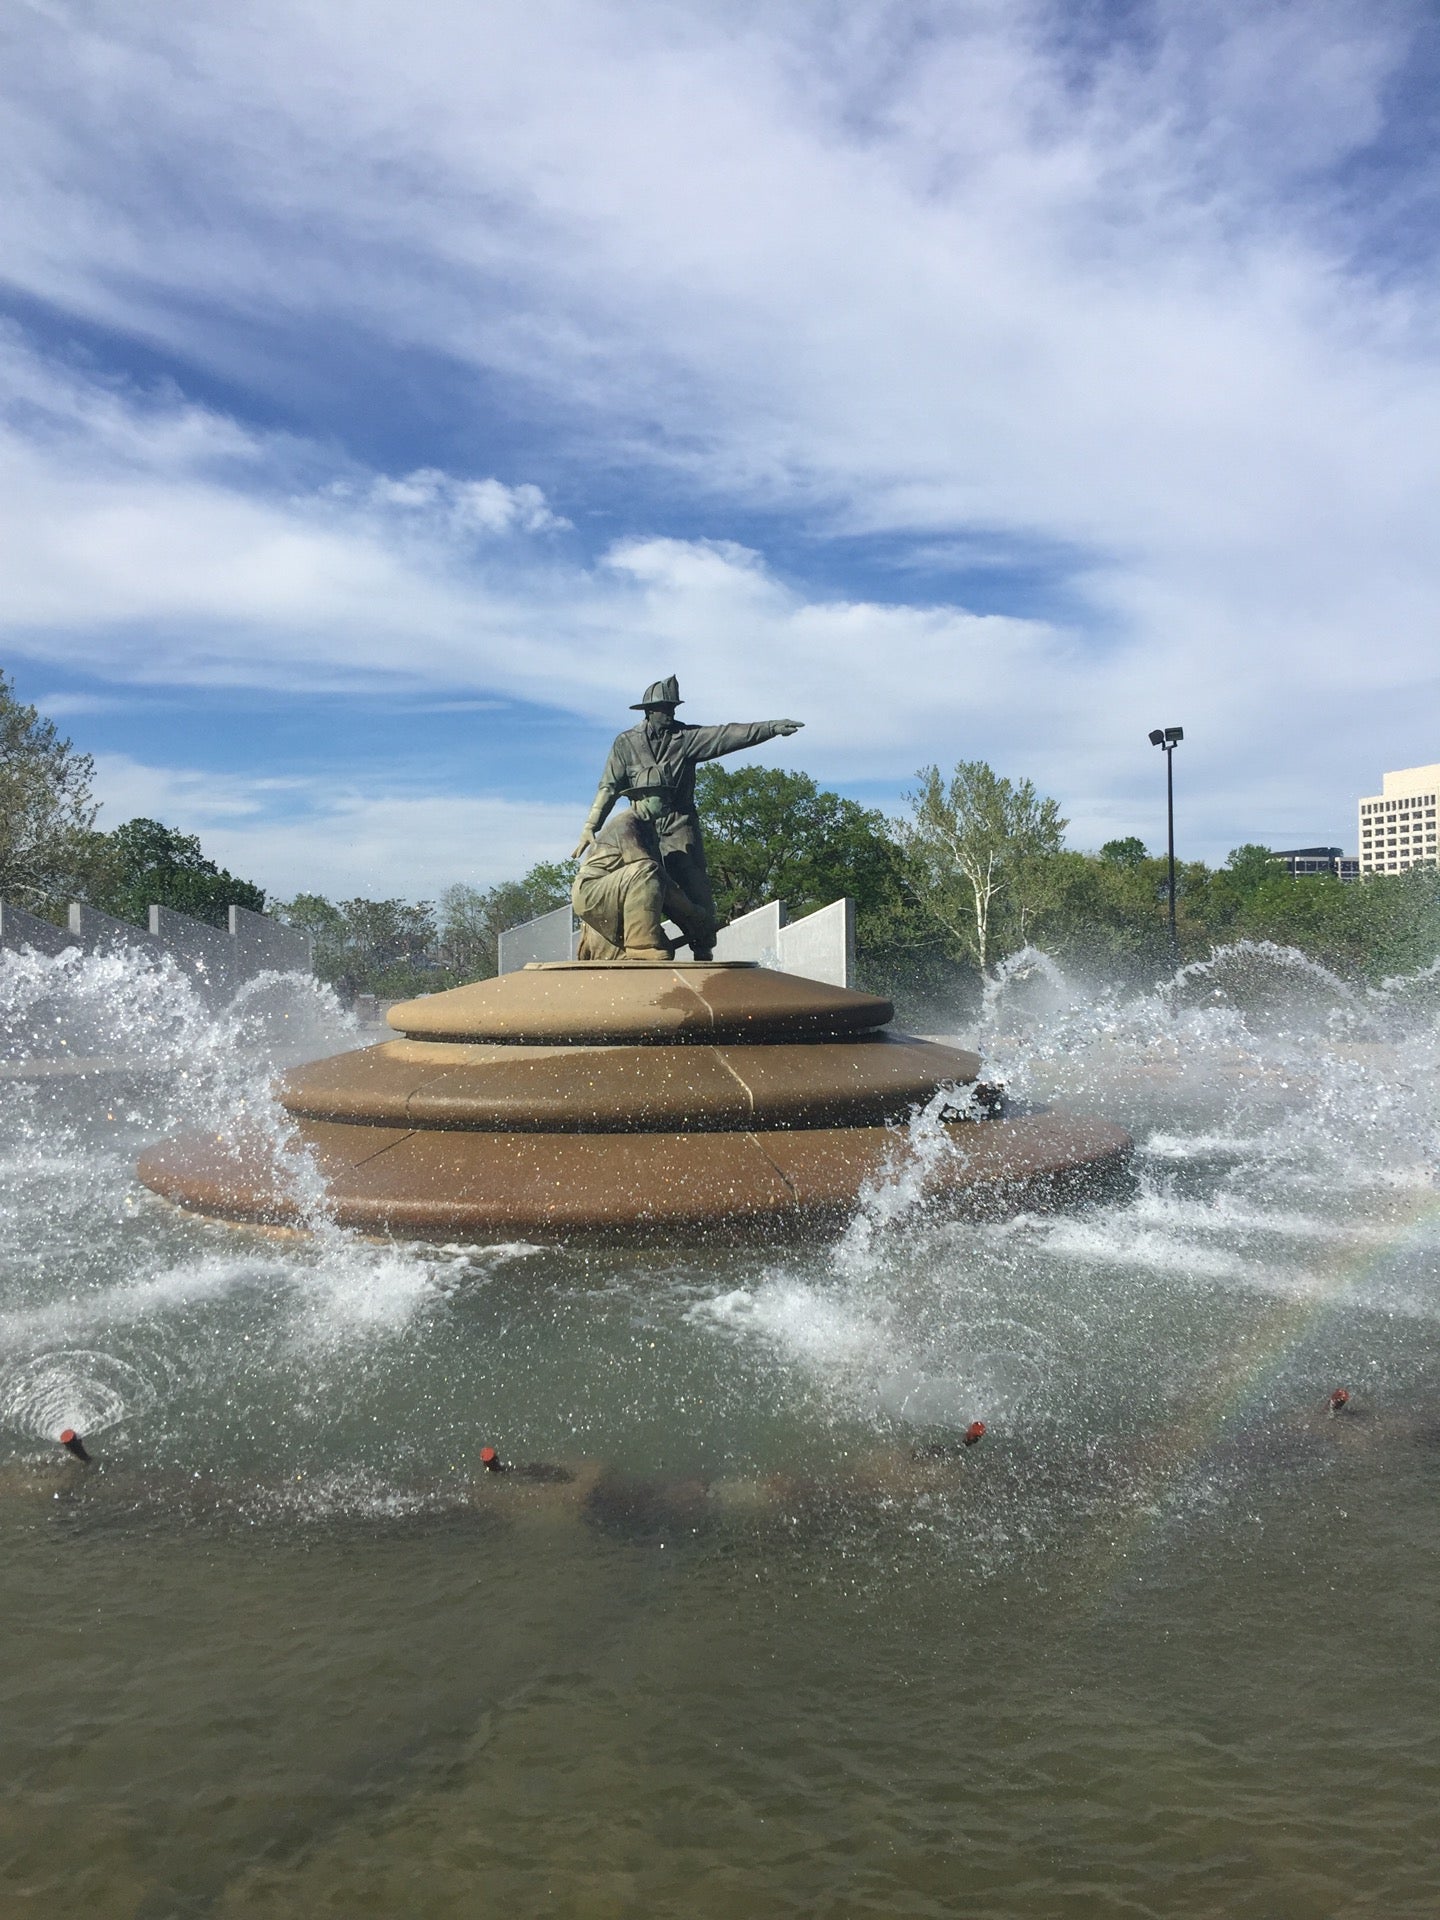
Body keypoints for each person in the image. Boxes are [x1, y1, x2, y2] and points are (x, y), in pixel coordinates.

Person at [573, 676, 803, 960]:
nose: (669, 714)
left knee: (695, 888)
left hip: (678, 824)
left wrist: (770, 728)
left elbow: (726, 735)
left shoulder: (686, 738)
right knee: (644, 878)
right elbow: (608, 786)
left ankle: (703, 951)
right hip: (642, 822)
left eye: (672, 708)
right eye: (664, 708)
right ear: (649, 710)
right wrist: (590, 826)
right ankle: (641, 943)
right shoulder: (626, 743)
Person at [571, 788, 710, 961]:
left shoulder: (648, 830)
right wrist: (691, 910)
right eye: (662, 797)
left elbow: (660, 888)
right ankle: (641, 945)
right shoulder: (626, 824)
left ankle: (636, 948)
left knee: (663, 950)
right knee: (647, 869)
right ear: (643, 797)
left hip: (616, 893)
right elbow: (651, 874)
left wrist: (693, 924)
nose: (668, 801)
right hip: (592, 892)